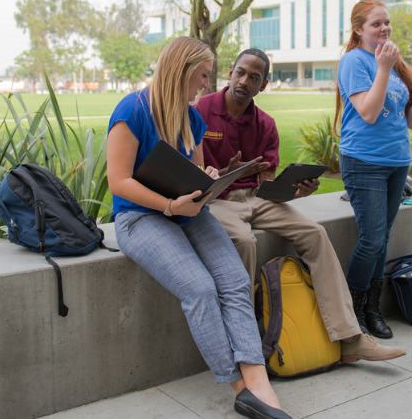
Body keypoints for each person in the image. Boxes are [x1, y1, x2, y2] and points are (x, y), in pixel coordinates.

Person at [107, 37, 292, 419]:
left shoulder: (192, 118)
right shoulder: (132, 109)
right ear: (183, 70)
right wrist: (170, 205)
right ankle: (241, 388)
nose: (207, 85)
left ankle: (259, 380)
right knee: (201, 289)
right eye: (203, 76)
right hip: (139, 217)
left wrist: (207, 178)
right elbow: (119, 182)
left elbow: (196, 172)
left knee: (236, 281)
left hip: (188, 212)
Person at [195, 48, 406, 363]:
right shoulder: (200, 110)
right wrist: (225, 173)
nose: (244, 81)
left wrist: (296, 192)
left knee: (315, 233)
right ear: (229, 72)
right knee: (244, 240)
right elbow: (192, 172)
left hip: (256, 197)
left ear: (264, 85)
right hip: (217, 199)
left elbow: (269, 190)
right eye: (240, 72)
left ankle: (349, 337)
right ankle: (247, 342)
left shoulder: (265, 124)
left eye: (254, 77)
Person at [334, 0, 412, 339]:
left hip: (397, 162)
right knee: (371, 238)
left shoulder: (391, 59)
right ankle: (353, 310)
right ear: (359, 29)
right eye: (376, 24)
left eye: (387, 22)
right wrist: (384, 68)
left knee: (382, 237)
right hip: (364, 161)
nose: (384, 28)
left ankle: (373, 308)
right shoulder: (354, 61)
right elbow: (369, 113)